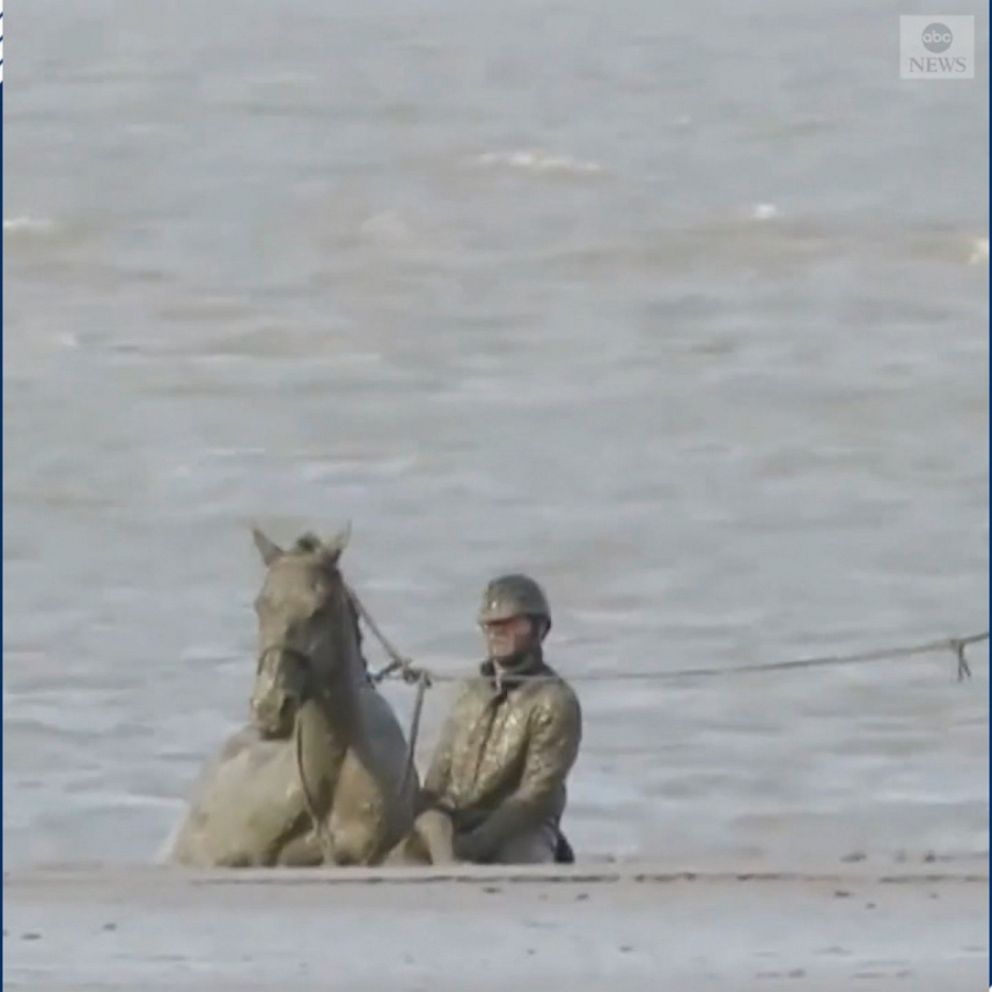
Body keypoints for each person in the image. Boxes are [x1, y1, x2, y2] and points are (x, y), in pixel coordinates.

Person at [415, 574, 582, 864]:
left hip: (522, 828)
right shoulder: (469, 693)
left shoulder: (554, 699)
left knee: (522, 868)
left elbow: (535, 795)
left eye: (512, 624)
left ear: (539, 629)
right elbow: (437, 779)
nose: (498, 633)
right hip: (456, 822)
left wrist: (477, 843)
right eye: (491, 626)